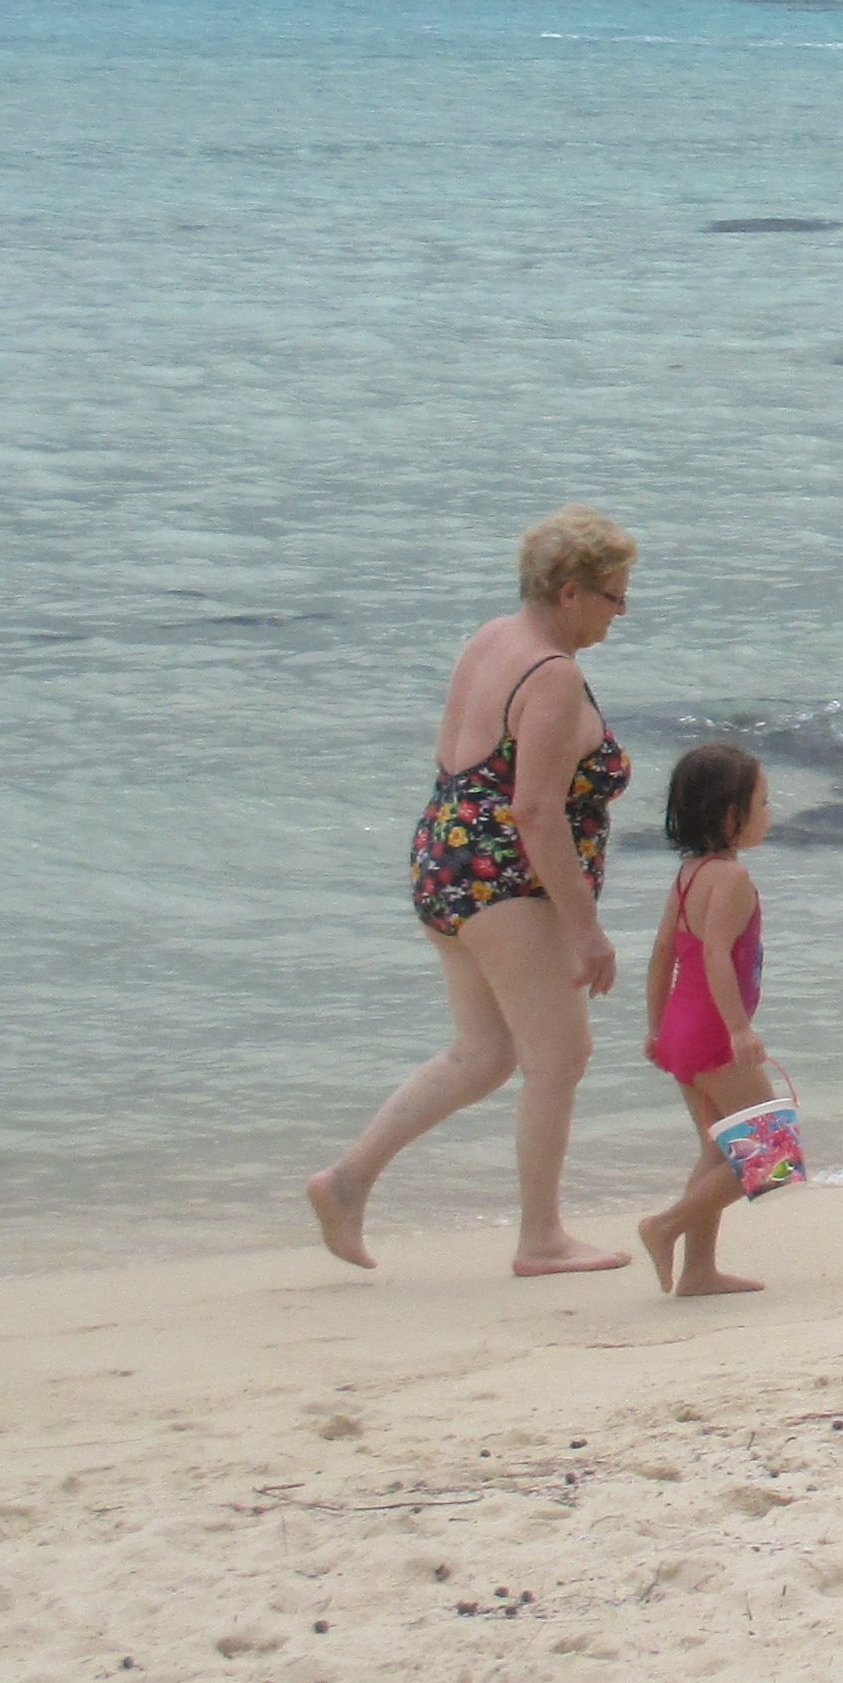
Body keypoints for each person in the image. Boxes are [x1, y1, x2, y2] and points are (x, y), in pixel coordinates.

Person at [308, 506, 641, 1277]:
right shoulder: (553, 676)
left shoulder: (491, 638)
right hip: (505, 881)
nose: (619, 614)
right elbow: (535, 810)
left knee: (484, 1053)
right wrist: (588, 931)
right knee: (559, 1057)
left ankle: (346, 1183)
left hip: (443, 860)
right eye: (613, 598)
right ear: (569, 592)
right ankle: (541, 1239)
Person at [632, 742, 782, 1297]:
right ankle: (664, 1226)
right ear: (730, 815)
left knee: (717, 1149)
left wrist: (655, 1031)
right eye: (762, 802)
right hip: (715, 1035)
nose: (770, 812)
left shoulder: (689, 875)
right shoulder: (731, 880)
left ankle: (698, 1271)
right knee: (771, 1152)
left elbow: (661, 955)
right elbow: (716, 954)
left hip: (681, 1032)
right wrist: (740, 1029)